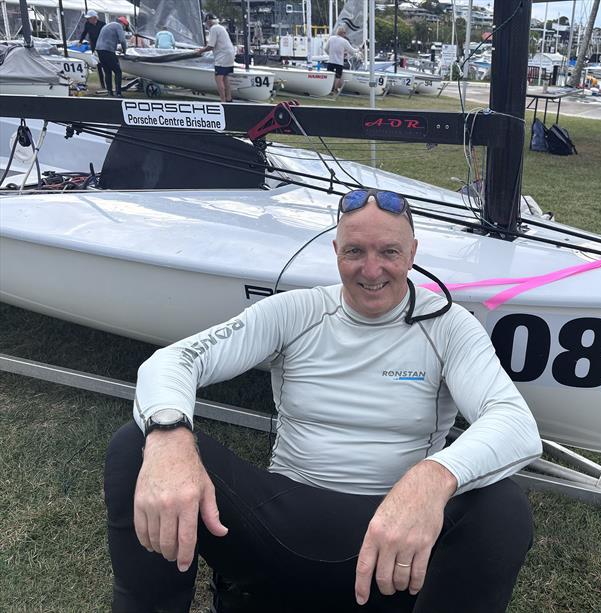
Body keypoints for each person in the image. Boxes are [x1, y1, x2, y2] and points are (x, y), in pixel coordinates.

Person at [104, 189, 542, 612]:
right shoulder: (298, 311)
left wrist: (432, 477)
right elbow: (175, 360)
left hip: (393, 541)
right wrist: (170, 437)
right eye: (355, 252)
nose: (371, 271)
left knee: (500, 506)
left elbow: (512, 422)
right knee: (138, 446)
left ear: (412, 253)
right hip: (282, 525)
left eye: (388, 252)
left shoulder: (449, 326)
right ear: (336, 251)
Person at [195, 13, 235, 102]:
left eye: (206, 22)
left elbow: (211, 46)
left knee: (218, 78)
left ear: (209, 21)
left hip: (222, 56)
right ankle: (229, 98)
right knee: (225, 77)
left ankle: (223, 101)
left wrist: (200, 51)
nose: (206, 25)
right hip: (230, 54)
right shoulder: (221, 27)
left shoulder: (213, 29)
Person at [95, 15, 128, 97]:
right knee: (118, 71)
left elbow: (109, 39)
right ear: (123, 24)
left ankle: (110, 92)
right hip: (107, 50)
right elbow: (122, 40)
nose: (124, 29)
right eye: (125, 27)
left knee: (107, 71)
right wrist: (124, 51)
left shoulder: (108, 25)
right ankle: (118, 93)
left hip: (99, 49)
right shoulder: (118, 26)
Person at [324, 27, 361, 93]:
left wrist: (330, 54)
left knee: (330, 76)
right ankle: (335, 90)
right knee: (338, 76)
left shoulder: (331, 38)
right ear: (343, 33)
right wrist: (359, 49)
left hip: (331, 61)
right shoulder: (344, 41)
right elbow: (352, 50)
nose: (345, 34)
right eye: (345, 33)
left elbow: (325, 49)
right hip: (339, 62)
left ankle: (328, 89)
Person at [78, 9, 106, 90]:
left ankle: (107, 84)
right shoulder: (87, 24)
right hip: (94, 47)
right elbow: (84, 33)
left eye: (89, 18)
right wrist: (80, 41)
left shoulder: (102, 24)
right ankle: (102, 84)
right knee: (98, 65)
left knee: (105, 65)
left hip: (103, 46)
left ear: (94, 18)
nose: (88, 20)